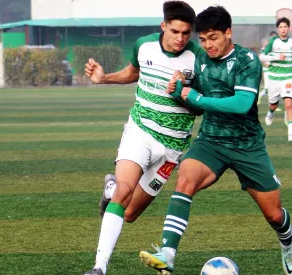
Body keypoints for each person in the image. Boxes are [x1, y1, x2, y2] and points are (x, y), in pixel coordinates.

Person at [139, 6, 292, 275]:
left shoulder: (247, 60)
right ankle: (167, 254)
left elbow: (242, 103)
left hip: (247, 145)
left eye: (213, 37)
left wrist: (195, 97)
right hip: (211, 141)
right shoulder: (200, 59)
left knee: (274, 214)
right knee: (185, 178)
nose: (207, 45)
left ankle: (288, 244)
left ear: (228, 33)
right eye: (202, 39)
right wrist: (179, 88)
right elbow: (194, 98)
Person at [82, 1, 202, 274]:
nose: (180, 39)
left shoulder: (199, 57)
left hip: (173, 146)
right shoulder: (144, 45)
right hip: (141, 130)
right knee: (125, 191)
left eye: (186, 33)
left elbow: (200, 107)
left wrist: (180, 92)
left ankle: (110, 190)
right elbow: (134, 72)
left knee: (130, 213)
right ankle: (99, 267)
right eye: (175, 31)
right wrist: (104, 79)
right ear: (163, 26)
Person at [259, 17, 292, 142]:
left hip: (287, 78)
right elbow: (262, 57)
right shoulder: (273, 41)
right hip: (273, 78)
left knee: (289, 105)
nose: (283, 29)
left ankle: (291, 135)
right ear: (278, 29)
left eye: (285, 27)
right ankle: (270, 113)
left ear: (288, 28)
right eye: (280, 27)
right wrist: (277, 57)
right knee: (273, 104)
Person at [258, 31, 278, 105]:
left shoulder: (276, 48)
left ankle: (273, 103)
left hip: (275, 71)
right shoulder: (265, 48)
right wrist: (270, 66)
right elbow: (262, 60)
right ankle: (272, 104)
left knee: (274, 88)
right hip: (267, 71)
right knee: (268, 89)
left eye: (275, 38)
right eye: (272, 37)